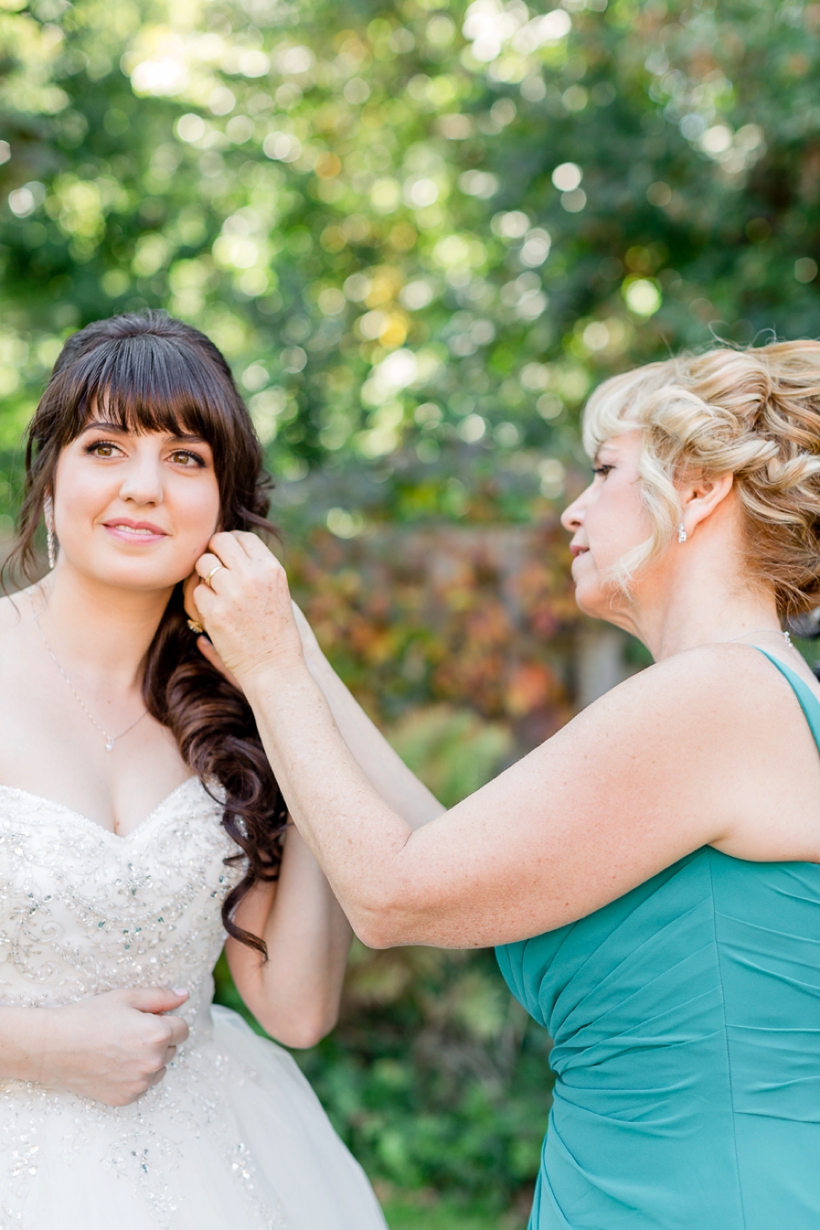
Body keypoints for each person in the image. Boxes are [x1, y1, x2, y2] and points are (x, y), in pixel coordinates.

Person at [193, 340, 820, 1230]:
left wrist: (269, 672)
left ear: (699, 488)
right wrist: (290, 651)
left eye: (605, 471)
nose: (573, 509)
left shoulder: (716, 695)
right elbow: (443, 858)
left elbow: (391, 895)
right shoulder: (748, 693)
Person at [0, 311, 441, 1229]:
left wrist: (292, 679)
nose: (145, 489)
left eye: (187, 458)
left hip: (218, 1163)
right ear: (49, 478)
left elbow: (298, 1008)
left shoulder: (237, 710)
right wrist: (35, 1047)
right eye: (106, 446)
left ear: (224, 503)